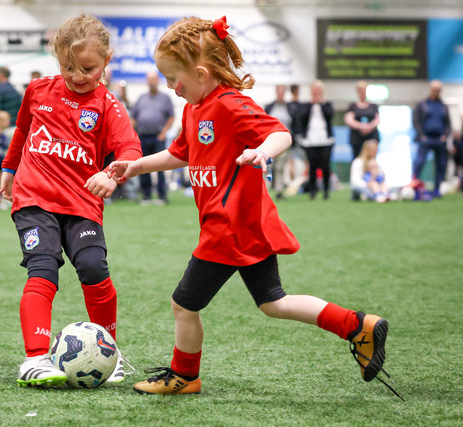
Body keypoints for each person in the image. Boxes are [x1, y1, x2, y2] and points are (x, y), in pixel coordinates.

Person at [108, 16, 399, 399]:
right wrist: (136, 166)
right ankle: (357, 325)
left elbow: (280, 133)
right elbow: (181, 153)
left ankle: (184, 376)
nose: (170, 87)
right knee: (273, 302)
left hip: (227, 229)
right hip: (245, 228)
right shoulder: (195, 109)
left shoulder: (229, 104)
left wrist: (262, 151)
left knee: (183, 305)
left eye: (174, 79)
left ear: (201, 73)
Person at [0, 14, 142, 388]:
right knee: (43, 267)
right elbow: (22, 131)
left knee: (93, 267)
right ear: (57, 60)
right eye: (68, 67)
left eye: (88, 68)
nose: (78, 76)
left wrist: (112, 173)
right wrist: (9, 168)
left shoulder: (108, 106)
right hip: (34, 197)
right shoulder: (37, 91)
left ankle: (110, 354)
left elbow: (129, 148)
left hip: (82, 203)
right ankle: (35, 359)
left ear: (107, 60)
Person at [129, 70, 175, 205]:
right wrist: (131, 133)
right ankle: (146, 196)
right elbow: (134, 117)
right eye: (149, 79)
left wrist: (164, 132)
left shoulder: (165, 98)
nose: (151, 82)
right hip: (142, 137)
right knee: (142, 166)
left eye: (153, 79)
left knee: (161, 166)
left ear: (157, 81)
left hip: (158, 137)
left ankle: (162, 196)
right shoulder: (141, 98)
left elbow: (171, 117)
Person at [412, 80, 451, 198]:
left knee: (441, 165)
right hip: (426, 139)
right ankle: (415, 189)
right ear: (430, 89)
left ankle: (437, 190)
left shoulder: (443, 106)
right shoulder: (422, 104)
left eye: (438, 90)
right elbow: (416, 121)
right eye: (434, 89)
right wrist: (421, 135)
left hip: (439, 140)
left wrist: (445, 136)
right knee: (419, 163)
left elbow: (448, 124)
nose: (436, 91)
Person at [299, 80, 335, 200]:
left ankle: (326, 190)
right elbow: (302, 118)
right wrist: (313, 104)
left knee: (325, 166)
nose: (316, 92)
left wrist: (321, 104)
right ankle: (312, 190)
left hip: (325, 140)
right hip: (310, 141)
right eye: (314, 90)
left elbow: (330, 116)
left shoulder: (327, 105)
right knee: (312, 166)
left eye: (318, 90)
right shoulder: (306, 105)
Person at [264, 84, 300, 199]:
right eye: (279, 92)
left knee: (280, 167)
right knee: (269, 166)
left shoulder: (289, 108)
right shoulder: (269, 107)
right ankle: (265, 190)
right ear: (276, 92)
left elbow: (295, 124)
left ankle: (279, 191)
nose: (280, 94)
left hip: (284, 142)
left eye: (282, 92)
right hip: (270, 141)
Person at [344, 81, 380, 159]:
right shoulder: (352, 106)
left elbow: (378, 119)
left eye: (364, 90)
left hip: (371, 137)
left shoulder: (373, 106)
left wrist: (369, 126)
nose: (362, 92)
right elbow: (349, 120)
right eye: (361, 90)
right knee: (357, 158)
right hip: (357, 139)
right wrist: (361, 126)